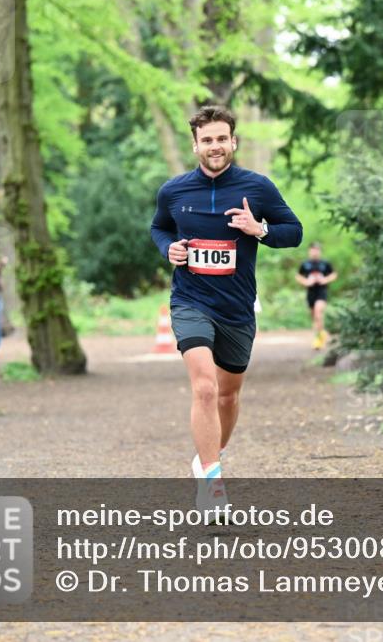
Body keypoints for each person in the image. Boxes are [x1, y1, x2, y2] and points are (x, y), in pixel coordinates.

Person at [150, 105, 302, 516]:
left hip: (237, 307)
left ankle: (206, 458)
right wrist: (170, 249)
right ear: (195, 145)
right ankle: (212, 484)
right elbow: (159, 227)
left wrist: (261, 230)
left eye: (222, 138)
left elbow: (294, 232)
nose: (214, 146)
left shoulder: (258, 188)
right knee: (204, 386)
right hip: (190, 300)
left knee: (229, 395)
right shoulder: (174, 191)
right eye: (207, 140)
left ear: (233, 141)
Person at [296, 243, 337, 350]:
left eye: (317, 250)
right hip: (311, 292)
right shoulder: (305, 264)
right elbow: (298, 276)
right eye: (313, 250)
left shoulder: (325, 263)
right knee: (315, 317)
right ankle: (321, 335)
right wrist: (306, 282)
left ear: (320, 251)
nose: (315, 252)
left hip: (322, 291)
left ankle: (319, 340)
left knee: (318, 313)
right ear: (309, 251)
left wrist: (325, 280)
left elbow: (333, 274)